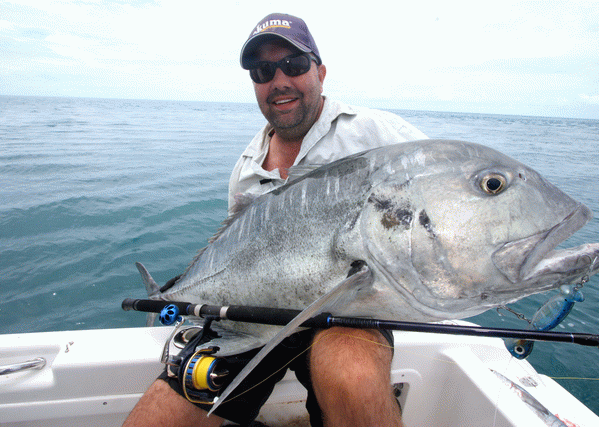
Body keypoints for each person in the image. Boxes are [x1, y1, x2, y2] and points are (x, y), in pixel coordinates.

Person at [123, 13, 427, 427]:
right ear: (255, 85)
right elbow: (234, 249)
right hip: (257, 316)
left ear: (320, 72)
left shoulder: (377, 133)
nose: (279, 80)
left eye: (294, 65)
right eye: (264, 71)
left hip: (345, 311)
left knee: (352, 377)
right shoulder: (246, 169)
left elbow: (441, 196)